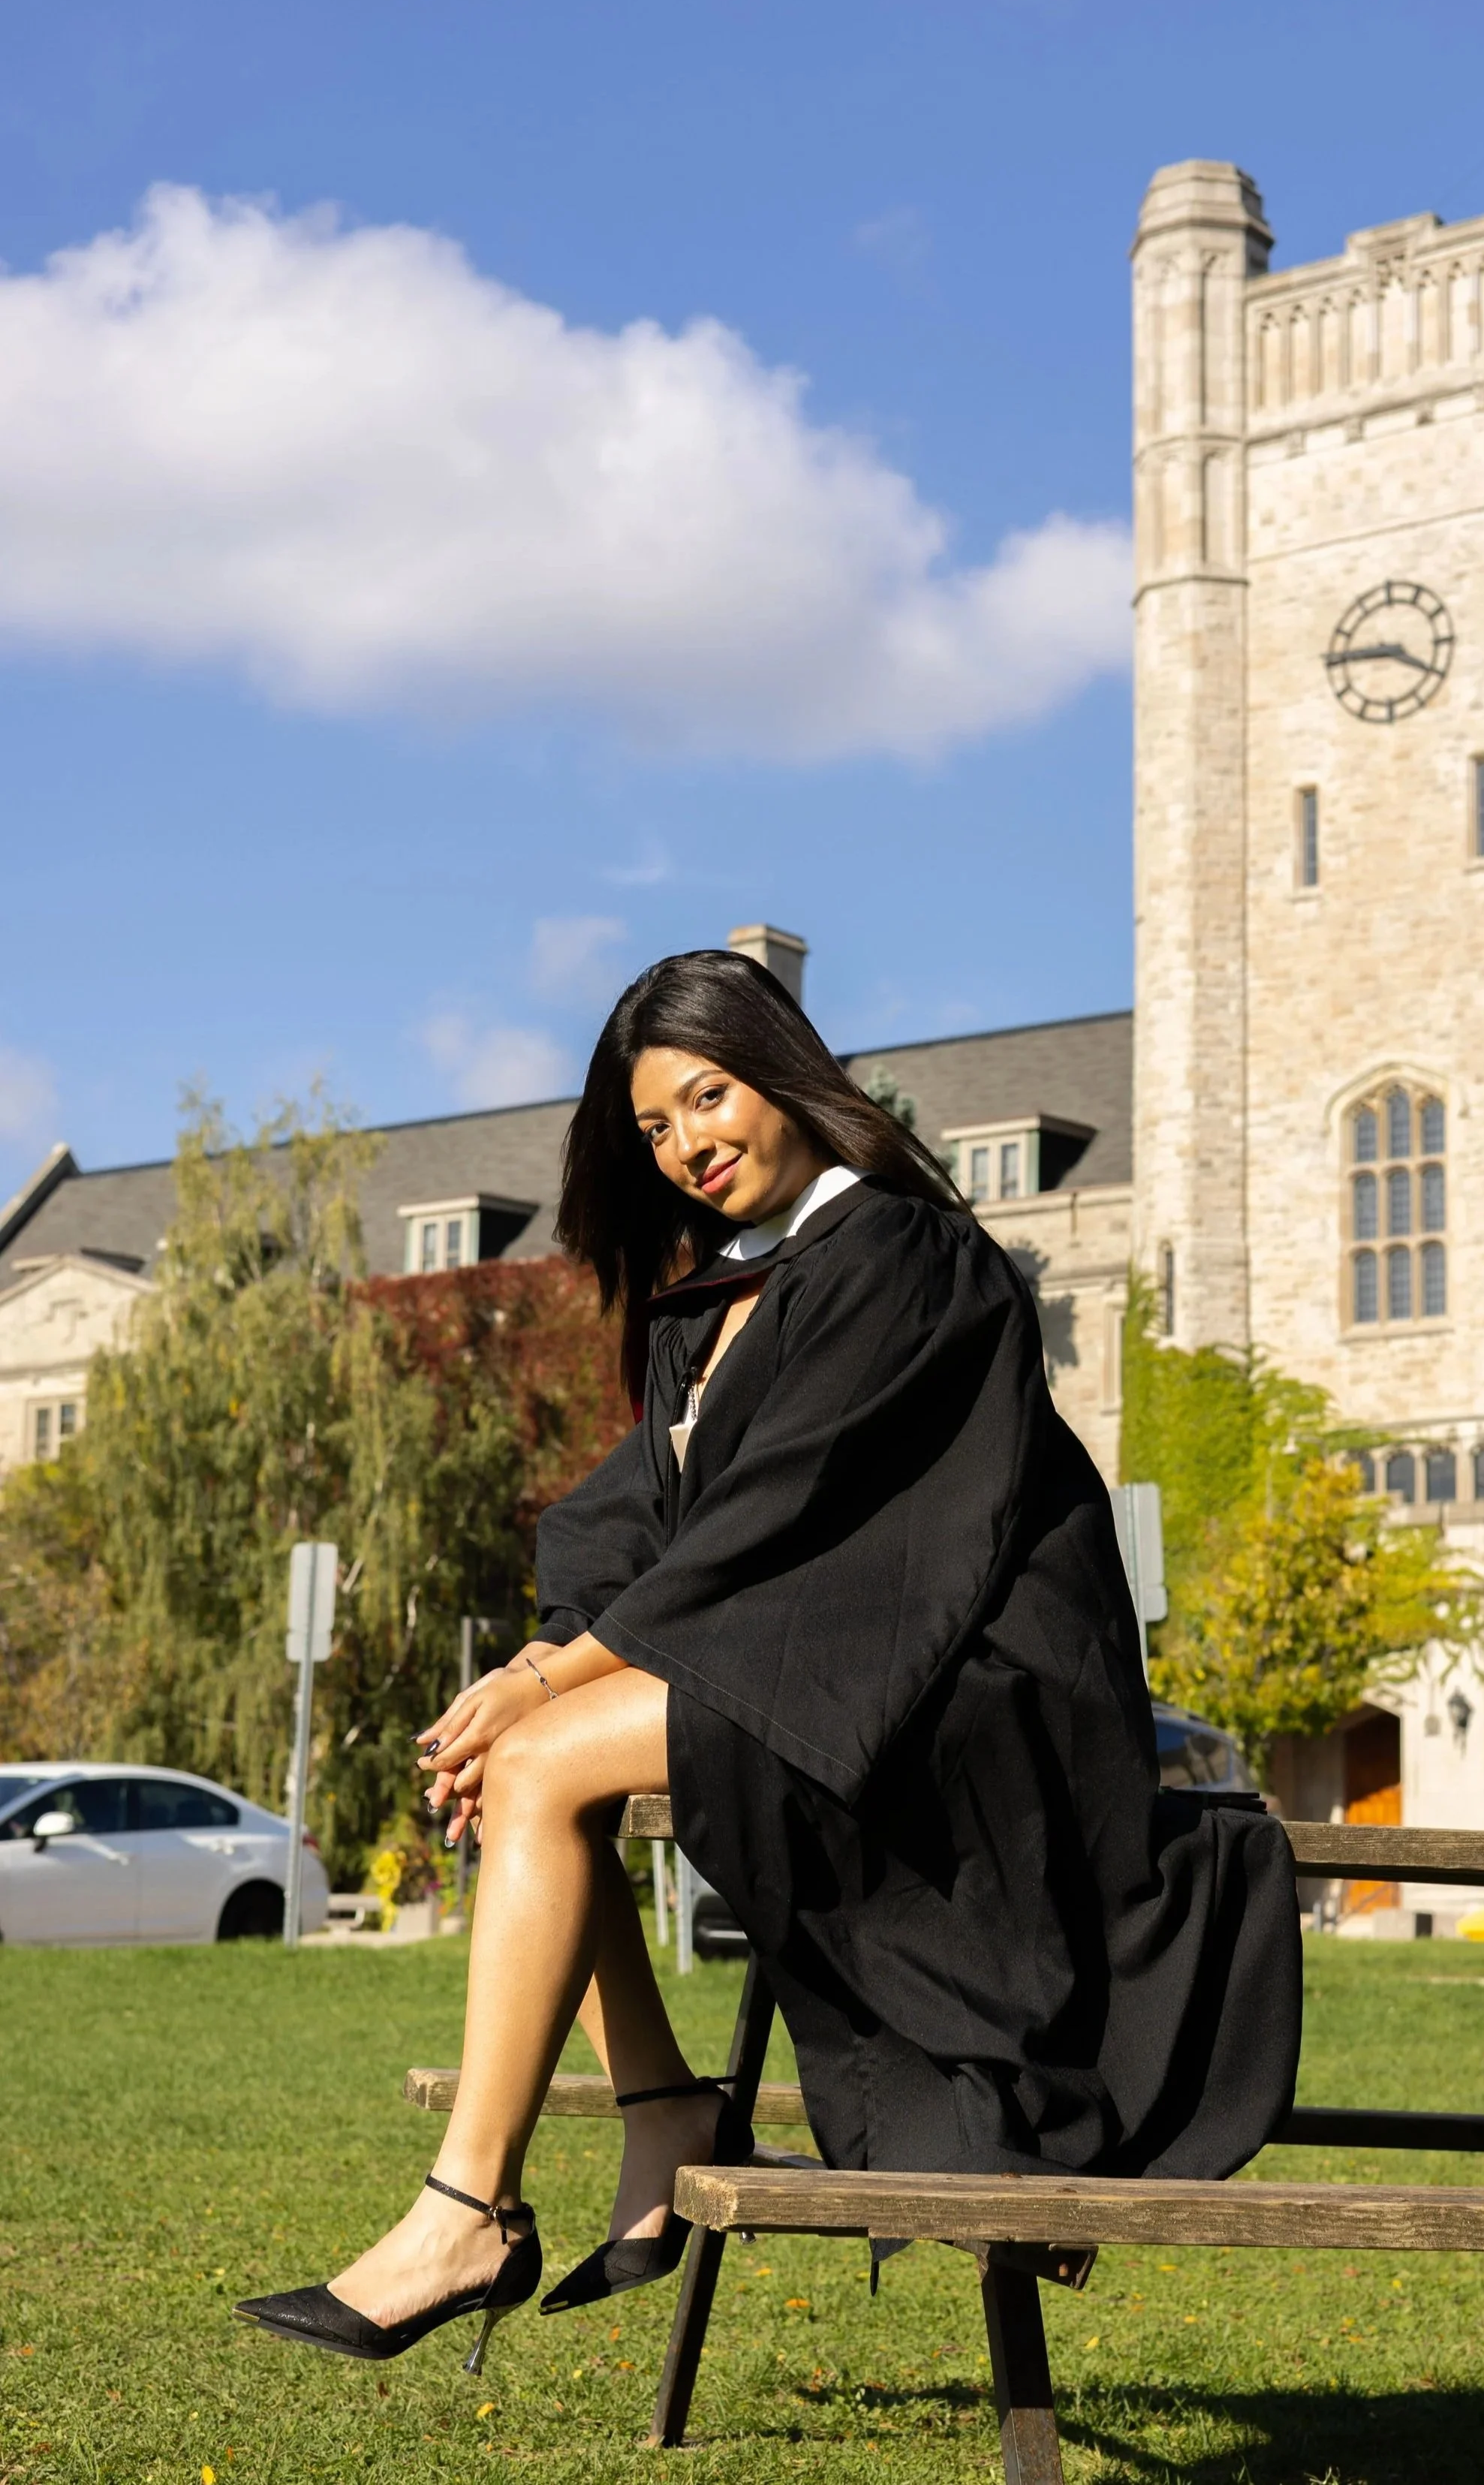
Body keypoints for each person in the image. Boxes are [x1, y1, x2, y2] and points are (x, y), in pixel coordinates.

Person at [236, 948, 1300, 2372]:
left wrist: (549, 1685)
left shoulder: (911, 1260)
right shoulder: (729, 1291)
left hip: (967, 1682)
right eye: (656, 1131)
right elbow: (632, 1519)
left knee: (542, 1749)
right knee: (520, 1764)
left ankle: (468, 2211)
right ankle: (660, 2110)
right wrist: (545, 1662)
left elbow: (780, 1513)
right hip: (836, 1656)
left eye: (709, 1097)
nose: (687, 1147)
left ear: (784, 1070)